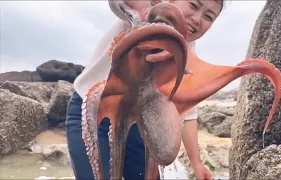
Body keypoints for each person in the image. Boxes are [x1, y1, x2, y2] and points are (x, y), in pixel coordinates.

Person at [66, 0, 226, 179]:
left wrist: (196, 163)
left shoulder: (187, 53)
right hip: (91, 114)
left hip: (138, 125)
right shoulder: (142, 13)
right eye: (193, 5)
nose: (197, 19)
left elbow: (186, 111)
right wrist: (153, 12)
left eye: (208, 17)